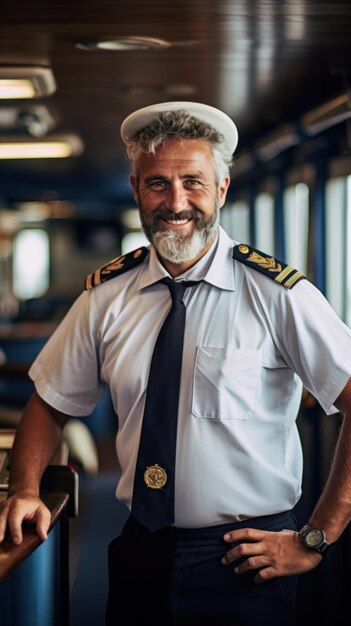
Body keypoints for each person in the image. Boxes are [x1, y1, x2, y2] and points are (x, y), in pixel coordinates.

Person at [1, 101, 351, 626]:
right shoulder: (106, 297)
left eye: (193, 182)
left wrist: (318, 536)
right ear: (136, 188)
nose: (176, 201)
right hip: (141, 550)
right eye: (158, 184)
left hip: (245, 558)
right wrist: (26, 489)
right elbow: (49, 404)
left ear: (223, 189)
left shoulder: (277, 294)